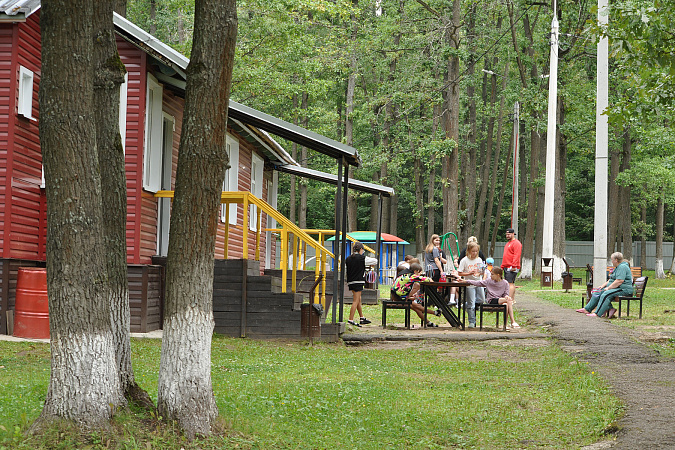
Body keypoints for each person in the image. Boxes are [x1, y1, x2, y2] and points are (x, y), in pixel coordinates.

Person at [576, 252, 634, 318]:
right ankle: (587, 309)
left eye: (612, 259)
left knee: (606, 294)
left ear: (616, 260)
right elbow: (612, 280)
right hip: (619, 288)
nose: (612, 261)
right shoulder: (618, 267)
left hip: (624, 289)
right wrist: (604, 286)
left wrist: (608, 288)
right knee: (599, 292)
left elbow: (619, 281)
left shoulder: (622, 267)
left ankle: (597, 314)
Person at [392, 262, 442, 327]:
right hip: (399, 297)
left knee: (417, 308)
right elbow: (426, 279)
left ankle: (430, 321)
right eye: (418, 273)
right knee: (417, 302)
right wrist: (431, 280)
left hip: (397, 295)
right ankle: (435, 313)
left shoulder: (404, 274)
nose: (419, 274)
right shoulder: (410, 276)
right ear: (415, 271)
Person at [346, 242, 378, 327]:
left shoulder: (348, 258)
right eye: (362, 250)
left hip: (350, 281)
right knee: (356, 300)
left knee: (358, 299)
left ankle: (362, 317)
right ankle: (351, 319)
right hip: (358, 281)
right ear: (360, 249)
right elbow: (375, 261)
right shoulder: (362, 258)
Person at [457, 242, 486, 328]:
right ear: (469, 251)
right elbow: (459, 273)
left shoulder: (479, 259)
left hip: (478, 282)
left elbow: (481, 271)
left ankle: (466, 305)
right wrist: (469, 273)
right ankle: (472, 321)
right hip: (469, 284)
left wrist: (481, 272)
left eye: (476, 251)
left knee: (481, 300)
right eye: (473, 251)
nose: (475, 253)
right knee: (472, 305)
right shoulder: (464, 260)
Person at [501, 228, 522, 302]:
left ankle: (509, 299)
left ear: (513, 234)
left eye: (509, 234)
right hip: (507, 266)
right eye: (506, 234)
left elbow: (517, 255)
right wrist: (502, 266)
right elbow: (505, 255)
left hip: (512, 266)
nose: (507, 236)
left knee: (510, 283)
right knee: (510, 282)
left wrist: (514, 266)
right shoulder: (508, 244)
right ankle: (512, 299)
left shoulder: (516, 243)